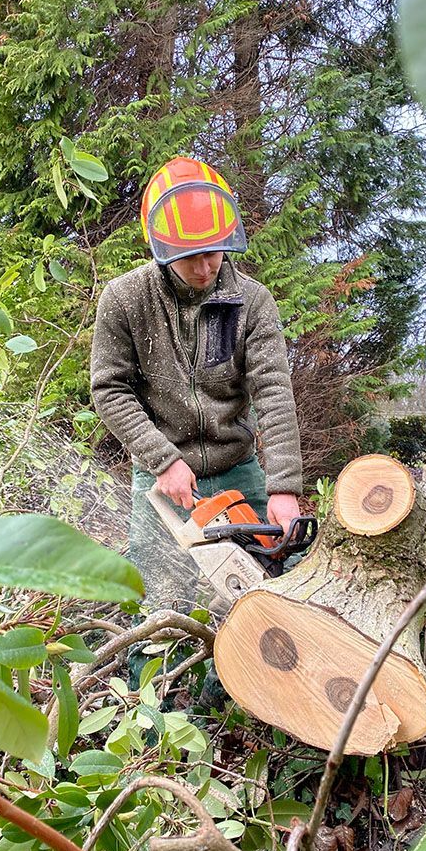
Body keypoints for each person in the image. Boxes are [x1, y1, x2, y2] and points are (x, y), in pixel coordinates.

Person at [91, 156, 303, 609]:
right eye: (190, 257)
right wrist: (162, 459)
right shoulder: (125, 300)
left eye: (213, 250)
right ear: (162, 251)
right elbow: (109, 388)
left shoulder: (250, 301)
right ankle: (154, 678)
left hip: (238, 468)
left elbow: (273, 393)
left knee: (265, 594)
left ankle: (235, 682)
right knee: (159, 604)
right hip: (161, 474)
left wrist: (284, 488)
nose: (206, 267)